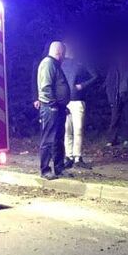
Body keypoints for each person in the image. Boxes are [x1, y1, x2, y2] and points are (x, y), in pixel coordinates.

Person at [61, 42, 99, 169]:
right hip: (65, 101)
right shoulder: (62, 63)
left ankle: (77, 157)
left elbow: (95, 76)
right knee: (67, 130)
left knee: (78, 129)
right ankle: (69, 156)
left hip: (78, 100)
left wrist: (82, 85)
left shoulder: (81, 62)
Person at [37, 41, 71, 180]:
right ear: (59, 52)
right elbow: (46, 87)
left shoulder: (54, 65)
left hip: (58, 108)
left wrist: (62, 106)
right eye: (64, 53)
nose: (64, 56)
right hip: (50, 108)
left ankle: (59, 168)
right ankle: (45, 170)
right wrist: (52, 104)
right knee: (48, 139)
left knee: (58, 139)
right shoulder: (48, 64)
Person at [105, 53, 128, 148]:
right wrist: (111, 99)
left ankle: (126, 139)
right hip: (116, 97)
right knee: (114, 119)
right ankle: (111, 140)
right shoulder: (113, 70)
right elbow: (108, 86)